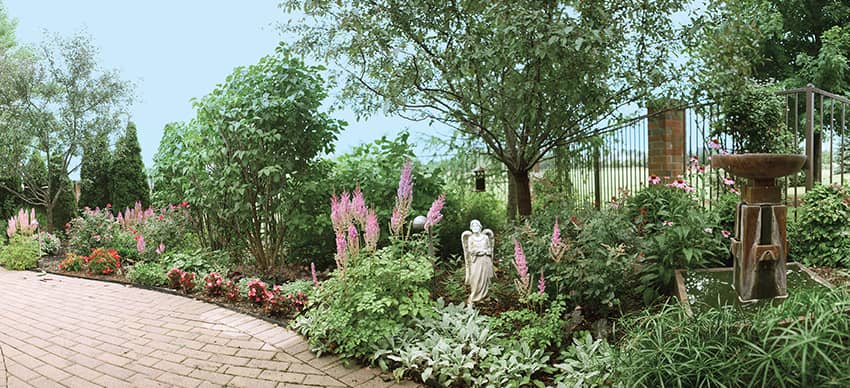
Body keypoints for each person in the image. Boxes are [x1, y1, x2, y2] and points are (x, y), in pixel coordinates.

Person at [461, 220, 495, 306]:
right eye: (473, 226)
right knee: (475, 278)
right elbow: (470, 250)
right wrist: (479, 251)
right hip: (476, 261)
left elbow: (489, 249)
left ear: (480, 227)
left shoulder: (485, 237)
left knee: (484, 278)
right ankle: (473, 297)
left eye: (477, 226)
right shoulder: (470, 238)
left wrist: (486, 251)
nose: (475, 228)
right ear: (471, 228)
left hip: (485, 260)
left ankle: (484, 296)